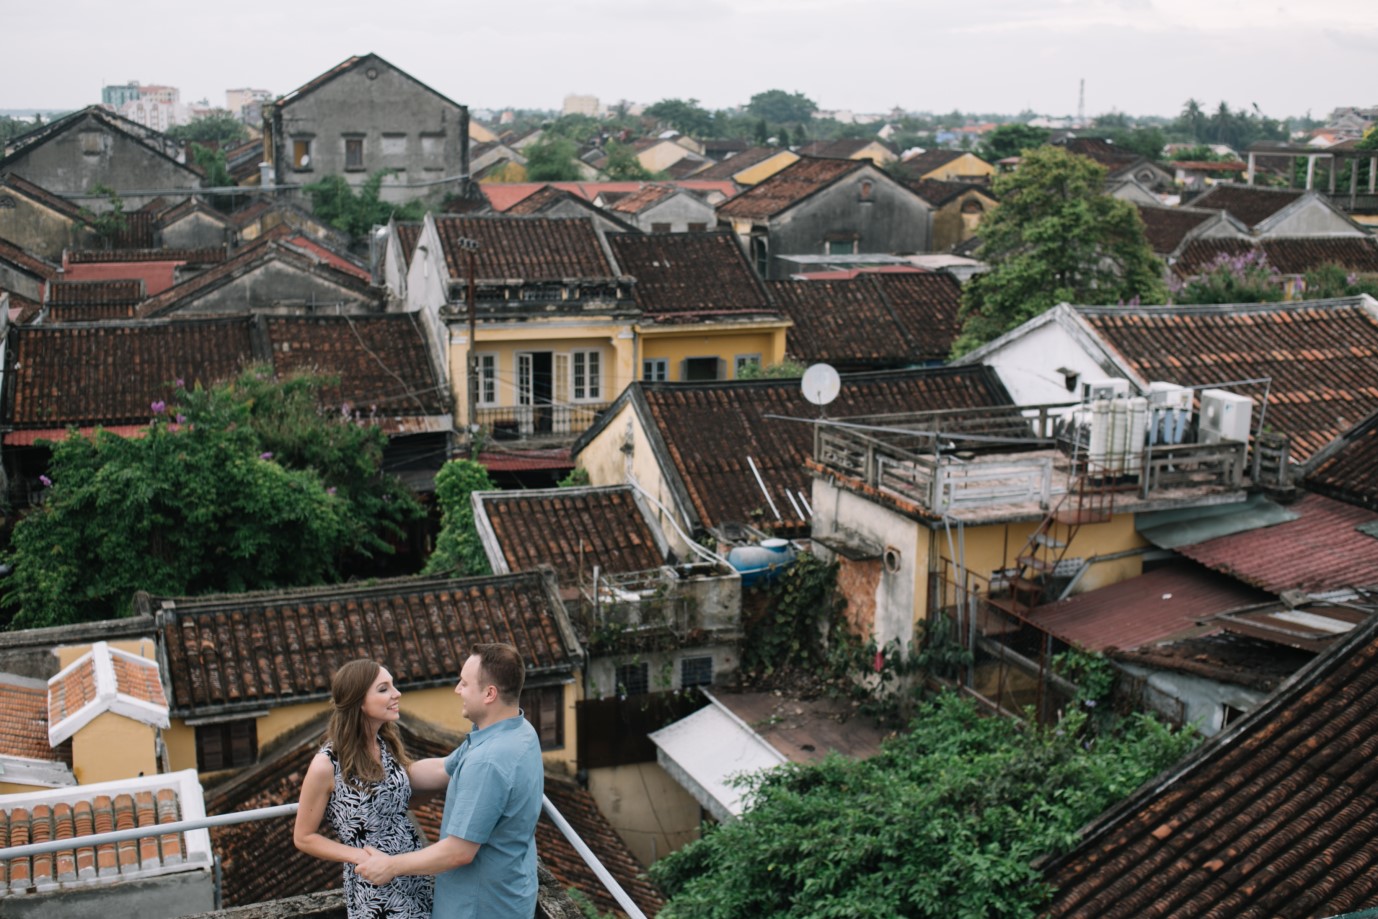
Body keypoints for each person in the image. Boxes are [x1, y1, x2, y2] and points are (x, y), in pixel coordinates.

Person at [355, 643, 544, 919]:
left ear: (489, 694)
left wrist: (390, 866)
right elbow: (445, 768)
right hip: (512, 891)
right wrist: (382, 778)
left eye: (465, 683)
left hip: (481, 907)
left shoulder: (489, 761)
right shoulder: (518, 730)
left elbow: (458, 852)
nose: (457, 690)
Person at [294, 658, 434, 918]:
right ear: (359, 702)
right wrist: (360, 857)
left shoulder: (386, 744)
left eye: (393, 686)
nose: (396, 694)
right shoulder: (327, 764)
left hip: (411, 872)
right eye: (384, 689)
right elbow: (303, 837)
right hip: (374, 884)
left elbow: (397, 802)